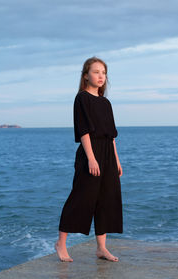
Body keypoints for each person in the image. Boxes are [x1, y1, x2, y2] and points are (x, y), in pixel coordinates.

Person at [55, 56, 123, 262]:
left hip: (108, 154)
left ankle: (101, 248)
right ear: (86, 76)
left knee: (106, 199)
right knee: (81, 197)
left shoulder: (106, 102)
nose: (101, 76)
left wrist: (117, 160)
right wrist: (91, 158)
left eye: (103, 72)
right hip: (89, 153)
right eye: (96, 72)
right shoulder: (82, 98)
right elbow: (84, 131)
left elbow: (111, 135)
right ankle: (61, 243)